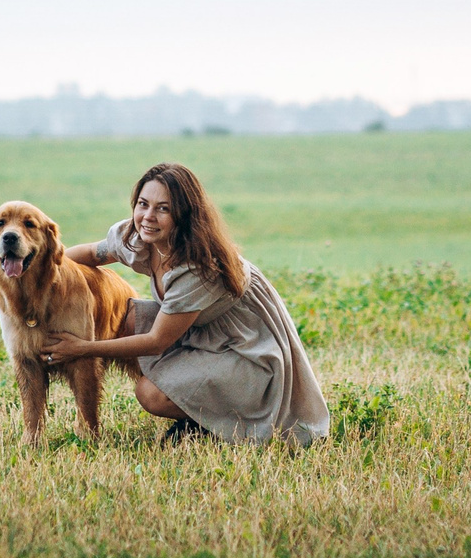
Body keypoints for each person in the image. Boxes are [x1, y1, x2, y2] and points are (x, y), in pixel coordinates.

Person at [41, 162, 330, 447]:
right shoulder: (138, 236)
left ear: (184, 215)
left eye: (163, 209)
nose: (148, 217)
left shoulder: (197, 267)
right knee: (127, 318)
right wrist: (46, 267)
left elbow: (156, 341)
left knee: (151, 394)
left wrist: (81, 349)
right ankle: (194, 396)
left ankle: (210, 424)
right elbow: (92, 253)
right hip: (203, 328)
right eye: (143, 204)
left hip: (246, 346)